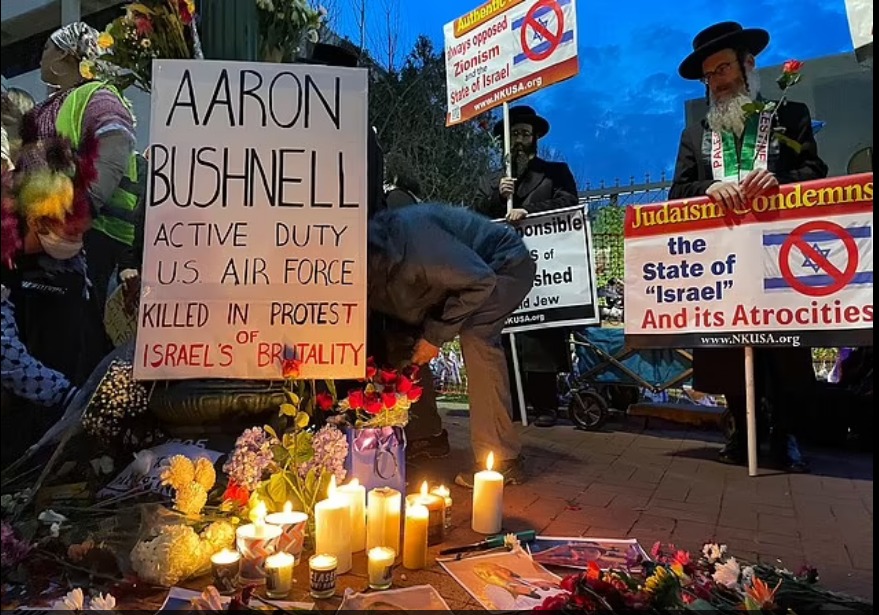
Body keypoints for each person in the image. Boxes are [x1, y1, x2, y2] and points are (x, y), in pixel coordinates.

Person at [669, 21, 828, 472]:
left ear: (748, 64)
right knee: (726, 348)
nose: (716, 81)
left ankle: (785, 435)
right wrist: (708, 190)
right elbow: (677, 193)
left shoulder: (789, 115)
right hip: (720, 261)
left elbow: (816, 173)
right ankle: (741, 428)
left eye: (722, 69)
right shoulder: (695, 134)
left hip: (782, 257)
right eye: (709, 76)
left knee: (784, 349)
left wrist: (779, 180)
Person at [366, 204, 536, 486]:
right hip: (468, 276)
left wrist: (435, 337)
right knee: (408, 349)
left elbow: (481, 281)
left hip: (504, 266)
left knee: (477, 337)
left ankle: (503, 459)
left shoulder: (423, 251)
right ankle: (426, 435)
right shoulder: (384, 250)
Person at [473, 105, 579, 427]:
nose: (519, 140)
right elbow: (475, 216)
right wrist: (496, 195)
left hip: (543, 270)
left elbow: (568, 202)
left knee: (539, 335)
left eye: (524, 134)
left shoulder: (554, 171)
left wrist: (528, 213)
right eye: (513, 134)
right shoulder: (492, 181)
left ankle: (546, 404)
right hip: (503, 272)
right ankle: (514, 405)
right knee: (509, 338)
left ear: (534, 138)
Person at [29, 22, 142, 319]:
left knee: (73, 338)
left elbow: (112, 152)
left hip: (88, 239)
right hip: (47, 236)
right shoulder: (46, 108)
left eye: (46, 49)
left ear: (66, 56)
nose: (40, 58)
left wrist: (76, 214)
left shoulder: (98, 96)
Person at [1, 125, 98, 467]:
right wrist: (66, 396)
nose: (64, 227)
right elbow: (6, 355)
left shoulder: (71, 258)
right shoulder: (6, 264)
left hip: (69, 426)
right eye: (51, 220)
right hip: (21, 430)